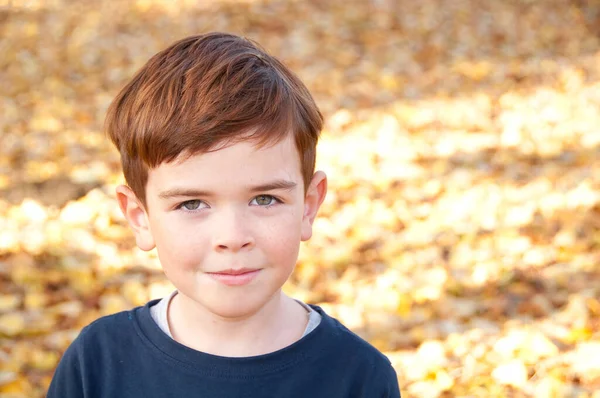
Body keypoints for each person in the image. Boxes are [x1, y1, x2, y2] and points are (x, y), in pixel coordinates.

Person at [47, 32, 401, 398]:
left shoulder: (359, 377)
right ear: (140, 216)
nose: (232, 236)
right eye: (191, 204)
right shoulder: (97, 363)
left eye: (264, 199)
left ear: (308, 205)